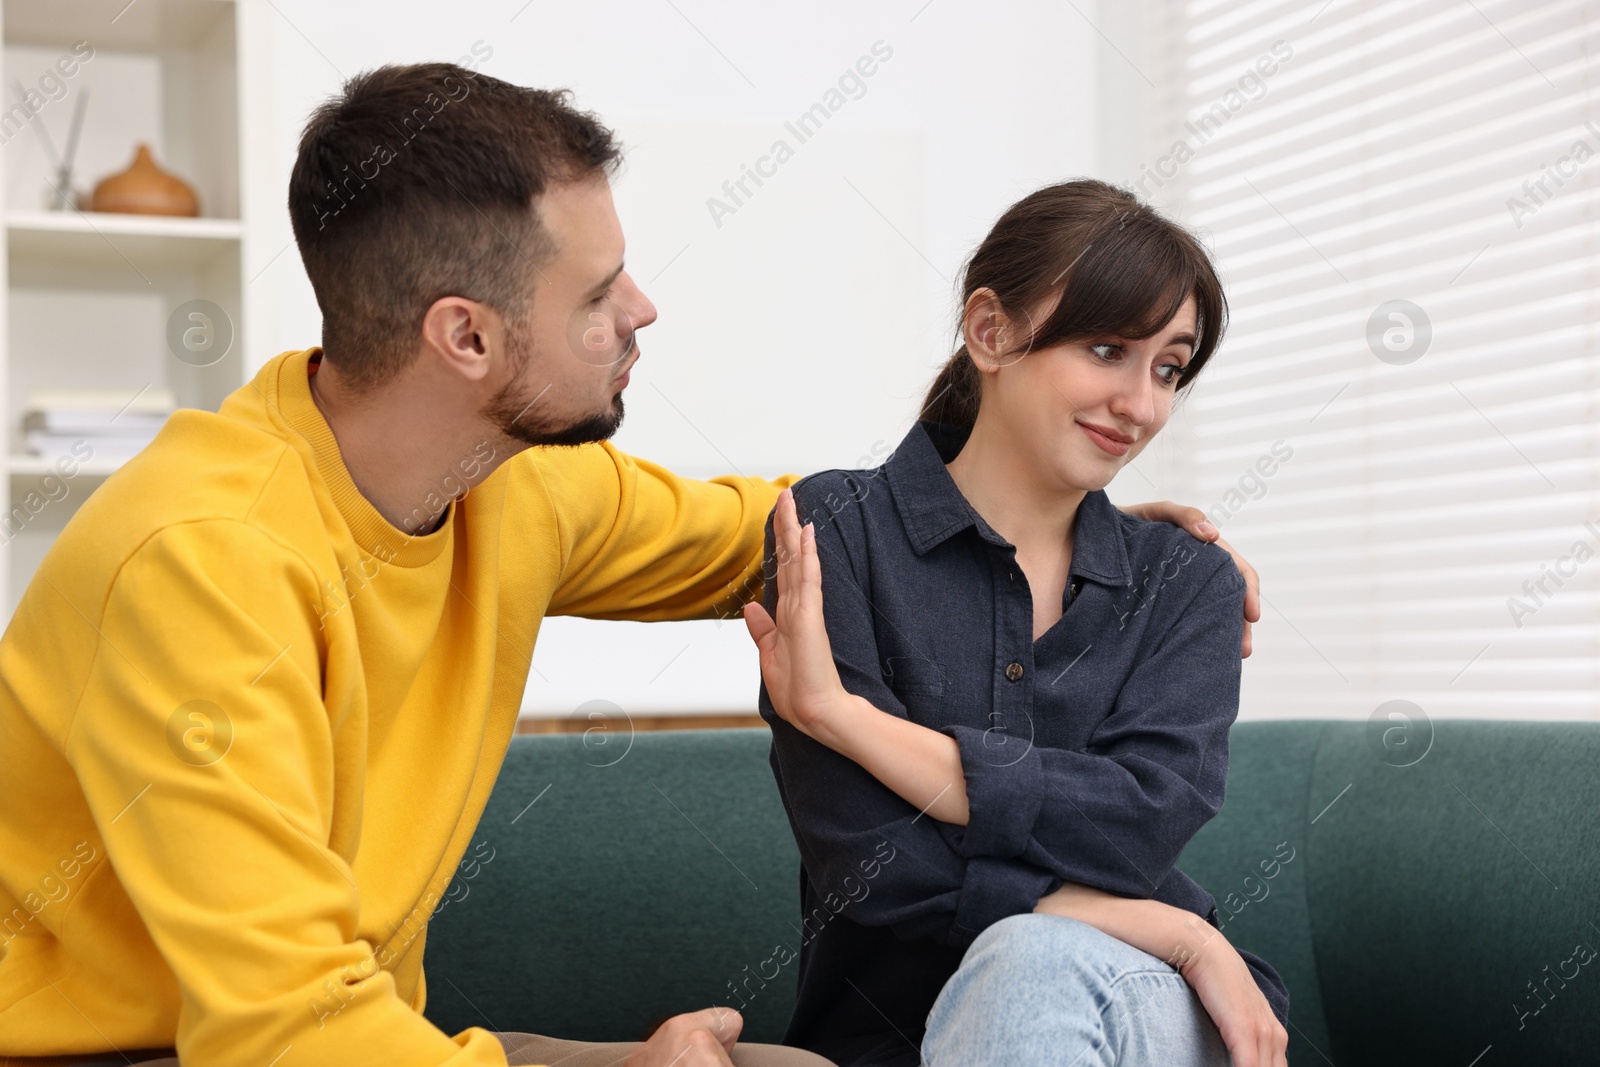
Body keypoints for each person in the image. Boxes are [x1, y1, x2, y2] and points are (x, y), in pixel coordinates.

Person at [0, 63, 1255, 1067]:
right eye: (598, 293)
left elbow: (823, 531)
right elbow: (281, 1030)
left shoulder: (516, 483)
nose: (643, 308)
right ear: (467, 335)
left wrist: (1080, 512)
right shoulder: (206, 566)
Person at [743, 180, 1291, 1067]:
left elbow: (1142, 825)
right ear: (990, 331)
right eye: (1107, 348)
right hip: (893, 1037)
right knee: (1024, 960)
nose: (1142, 405)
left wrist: (852, 722)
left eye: (1168, 368)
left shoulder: (1187, 579)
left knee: (1033, 961)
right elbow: (872, 864)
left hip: (1144, 1008)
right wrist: (1170, 926)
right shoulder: (833, 530)